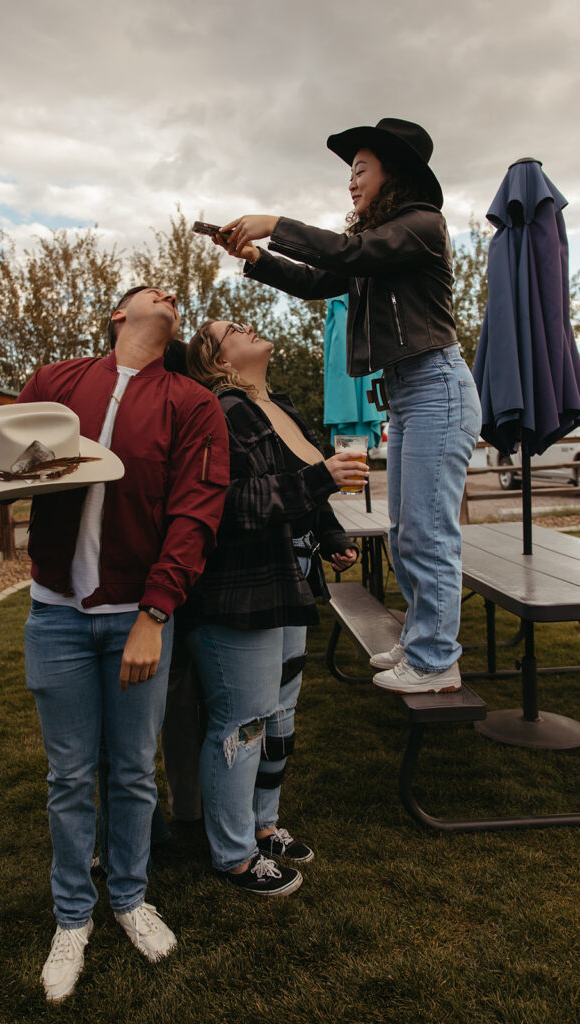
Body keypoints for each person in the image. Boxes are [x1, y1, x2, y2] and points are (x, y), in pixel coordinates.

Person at [214, 117, 482, 696]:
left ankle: (436, 660)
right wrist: (258, 257)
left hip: (436, 387)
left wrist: (274, 223)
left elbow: (349, 251)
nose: (351, 182)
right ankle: (421, 641)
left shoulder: (420, 226)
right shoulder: (376, 251)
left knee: (429, 532)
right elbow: (320, 279)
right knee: (407, 528)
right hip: (410, 395)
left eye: (360, 169)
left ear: (394, 173)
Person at [17, 286, 229, 1001]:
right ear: (118, 315)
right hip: (55, 614)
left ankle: (130, 899)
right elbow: (8, 467)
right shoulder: (54, 384)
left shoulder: (192, 402)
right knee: (71, 776)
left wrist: (155, 612)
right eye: (152, 290)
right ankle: (72, 917)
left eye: (176, 293)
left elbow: (193, 516)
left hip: (136, 615)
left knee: (135, 770)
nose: (169, 294)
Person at [182, 319, 365, 896]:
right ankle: (233, 854)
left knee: (280, 714)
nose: (250, 325)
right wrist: (319, 481)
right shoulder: (222, 408)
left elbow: (304, 481)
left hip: (293, 579)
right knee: (246, 718)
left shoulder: (277, 404)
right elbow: (228, 502)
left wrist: (331, 533)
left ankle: (265, 824)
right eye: (233, 328)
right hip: (244, 584)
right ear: (217, 360)